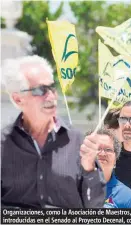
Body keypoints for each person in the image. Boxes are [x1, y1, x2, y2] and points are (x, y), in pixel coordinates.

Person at [1, 55, 105, 208]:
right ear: (18, 99)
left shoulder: (78, 142)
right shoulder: (3, 143)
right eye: (40, 90)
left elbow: (95, 206)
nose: (51, 96)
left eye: (52, 88)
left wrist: (90, 169)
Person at [87, 128, 131, 208]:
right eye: (97, 149)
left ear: (115, 160)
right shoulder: (73, 189)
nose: (102, 153)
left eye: (108, 149)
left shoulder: (125, 196)